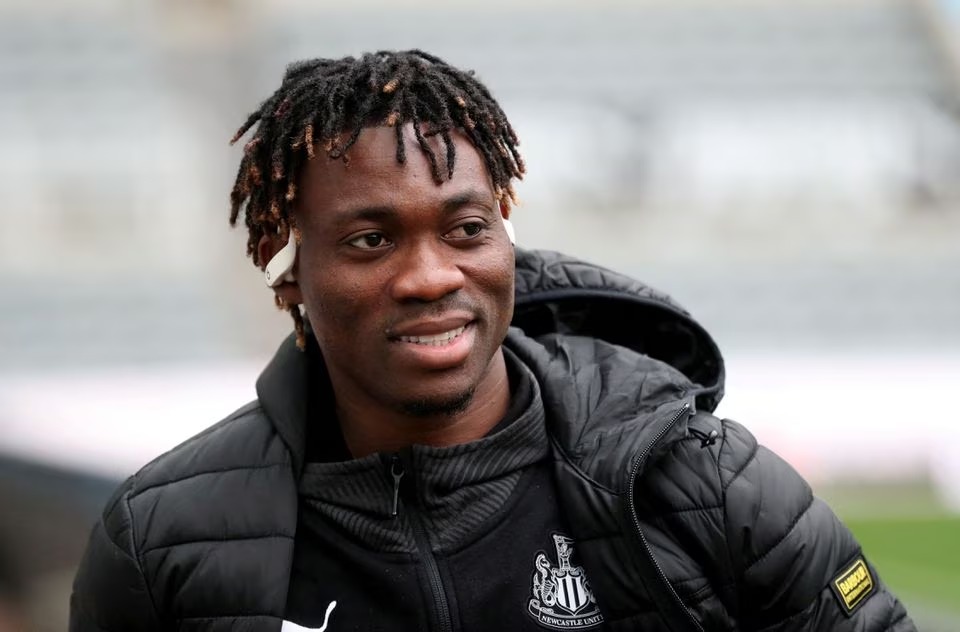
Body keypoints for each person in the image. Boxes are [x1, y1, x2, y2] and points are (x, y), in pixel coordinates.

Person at [69, 50, 915, 631]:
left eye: (465, 228)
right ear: (289, 273)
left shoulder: (711, 487)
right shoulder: (161, 541)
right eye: (371, 240)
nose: (432, 275)